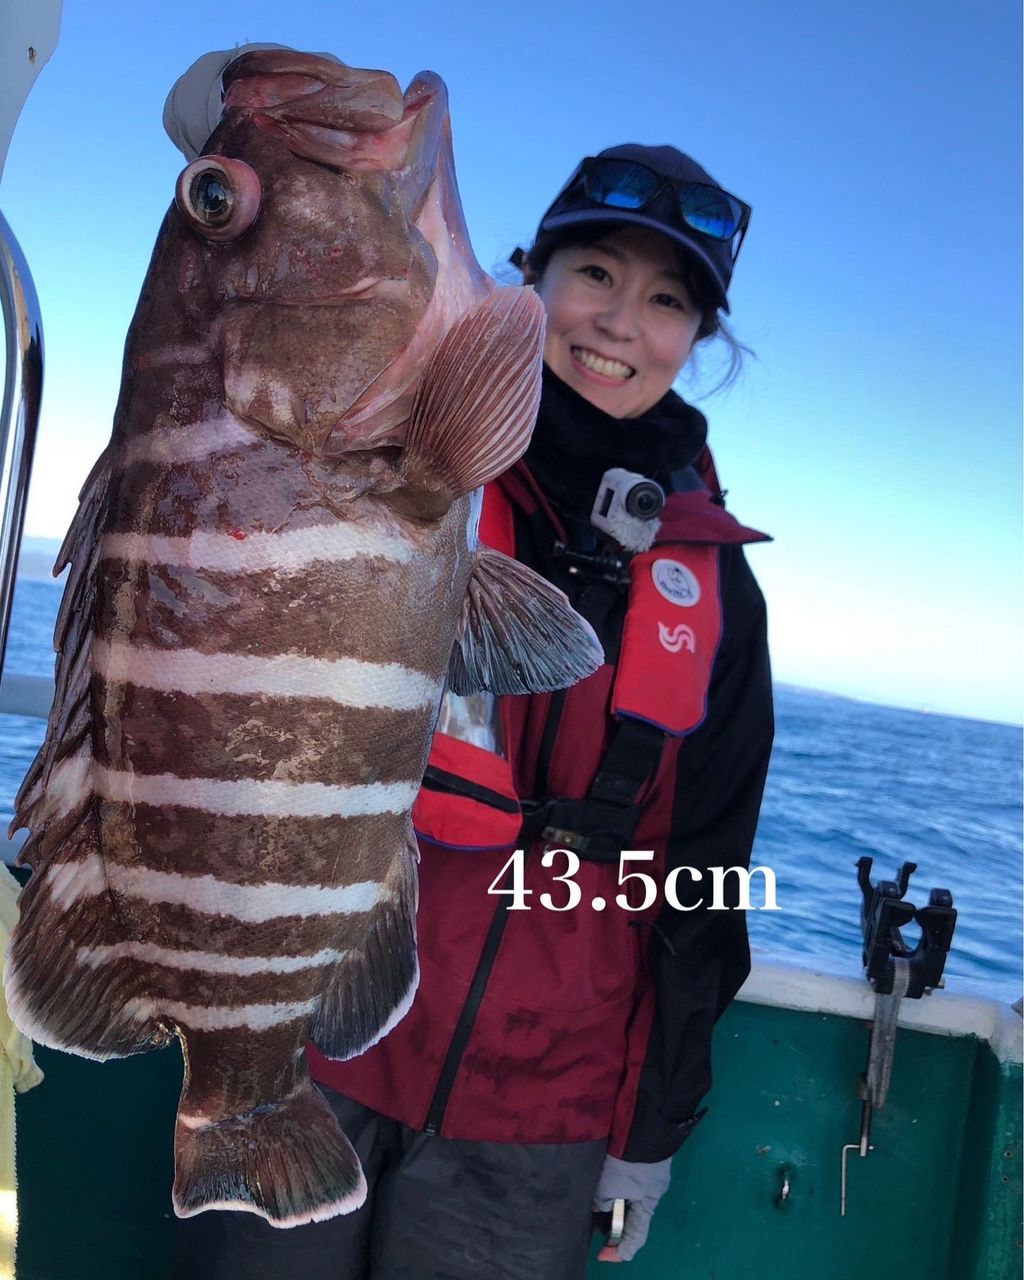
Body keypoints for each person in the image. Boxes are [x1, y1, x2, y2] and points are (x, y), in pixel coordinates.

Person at [168, 48, 773, 1280]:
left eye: (666, 302)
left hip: (538, 1111)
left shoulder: (719, 593)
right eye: (593, 273)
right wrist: (223, 129)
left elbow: (706, 880)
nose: (619, 321)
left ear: (696, 340)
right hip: (316, 1040)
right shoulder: (392, 451)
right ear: (525, 280)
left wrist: (648, 1132)